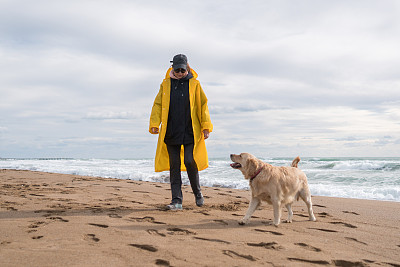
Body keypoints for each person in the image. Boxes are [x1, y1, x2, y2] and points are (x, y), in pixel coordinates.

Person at [149, 54, 213, 210]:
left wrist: (206, 126)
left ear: (187, 68)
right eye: (177, 70)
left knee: (190, 160)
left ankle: (198, 193)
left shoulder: (195, 85)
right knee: (174, 165)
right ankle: (176, 201)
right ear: (172, 68)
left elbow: (203, 105)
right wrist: (154, 123)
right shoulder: (165, 85)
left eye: (182, 70)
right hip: (171, 131)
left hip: (190, 131)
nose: (179, 73)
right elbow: (158, 104)